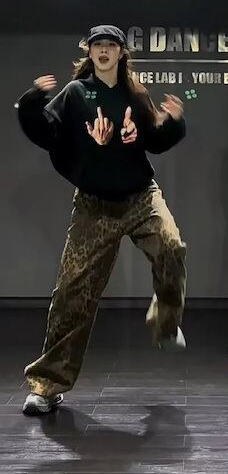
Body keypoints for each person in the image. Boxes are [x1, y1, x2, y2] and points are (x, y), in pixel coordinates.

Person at [17, 24, 187, 415]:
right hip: (94, 205)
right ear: (90, 52)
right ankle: (47, 386)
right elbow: (47, 132)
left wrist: (174, 122)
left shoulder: (136, 93)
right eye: (98, 46)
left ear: (121, 52)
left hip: (139, 196)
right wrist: (32, 102)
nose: (104, 51)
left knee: (171, 247)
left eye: (111, 45)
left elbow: (155, 141)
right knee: (71, 293)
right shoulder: (76, 93)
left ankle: (165, 324)